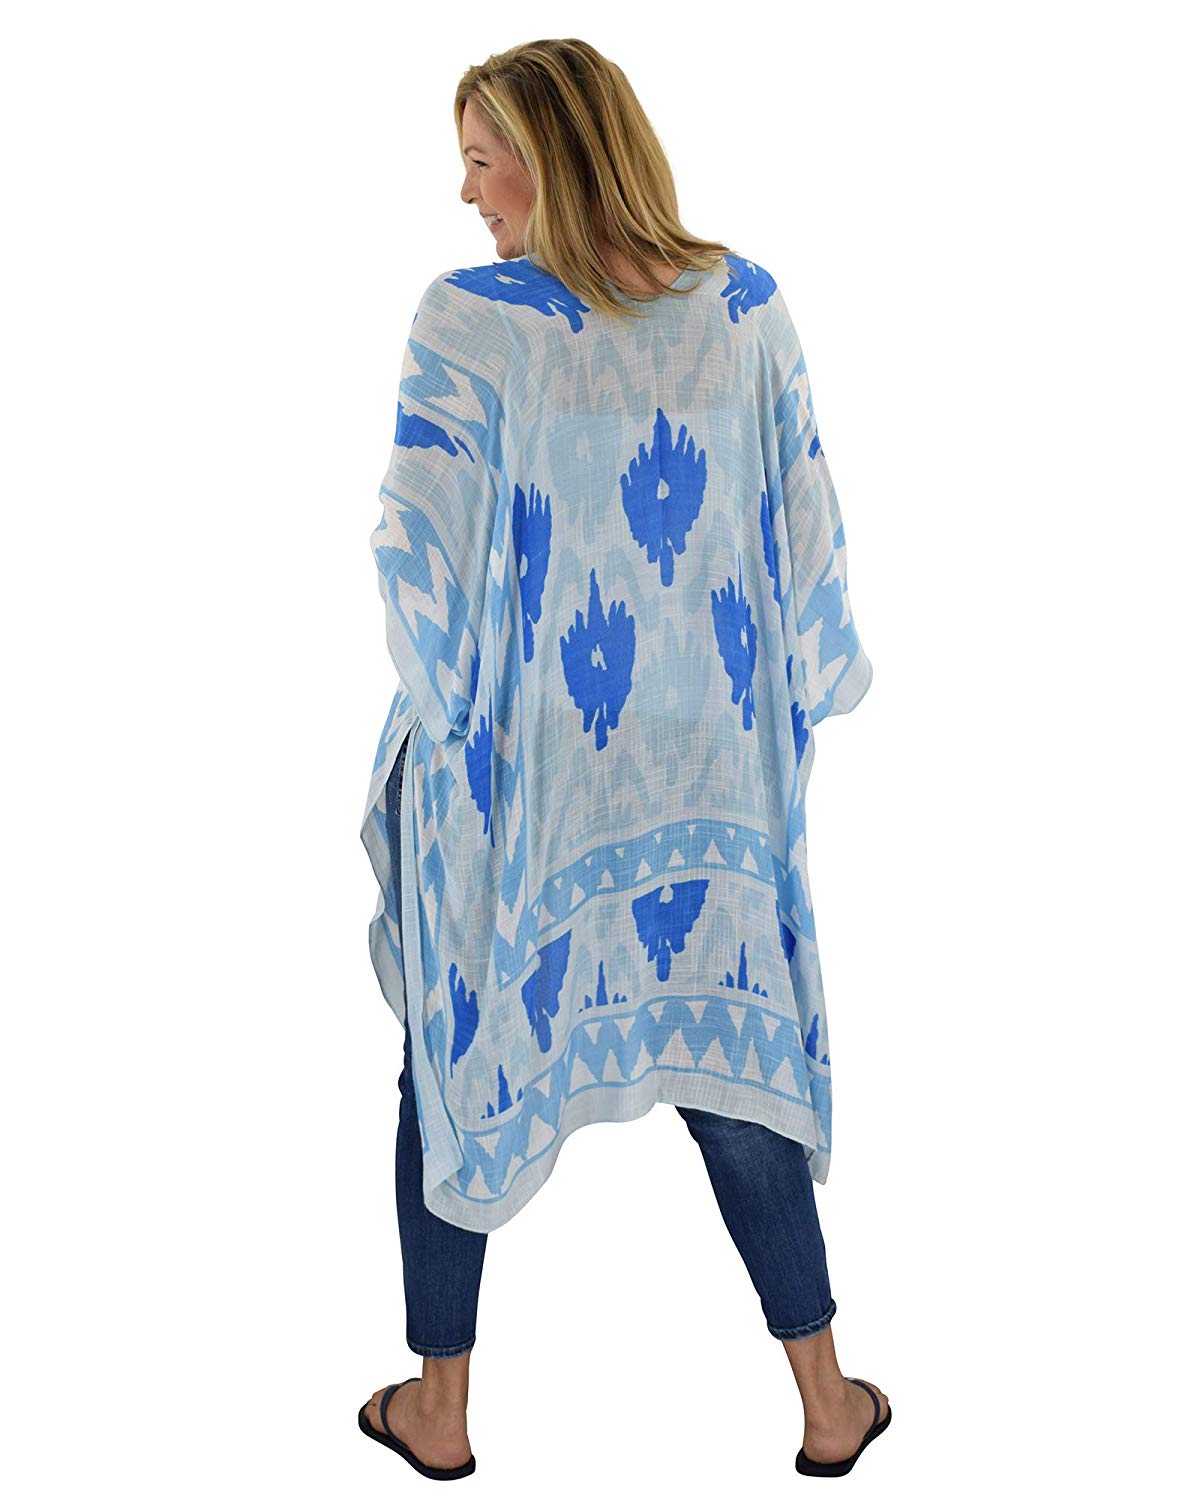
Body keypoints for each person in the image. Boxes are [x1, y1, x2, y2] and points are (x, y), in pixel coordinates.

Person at [356, 37, 891, 1481]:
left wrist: (451, 721)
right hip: (703, 775)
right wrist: (798, 689)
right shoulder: (747, 308)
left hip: (528, 777)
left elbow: (414, 552)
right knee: (731, 1060)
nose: (466, 194)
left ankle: (440, 1410)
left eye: (484, 161)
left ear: (553, 157)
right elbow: (808, 533)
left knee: (451, 1061)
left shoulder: (472, 324)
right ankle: (829, 1402)